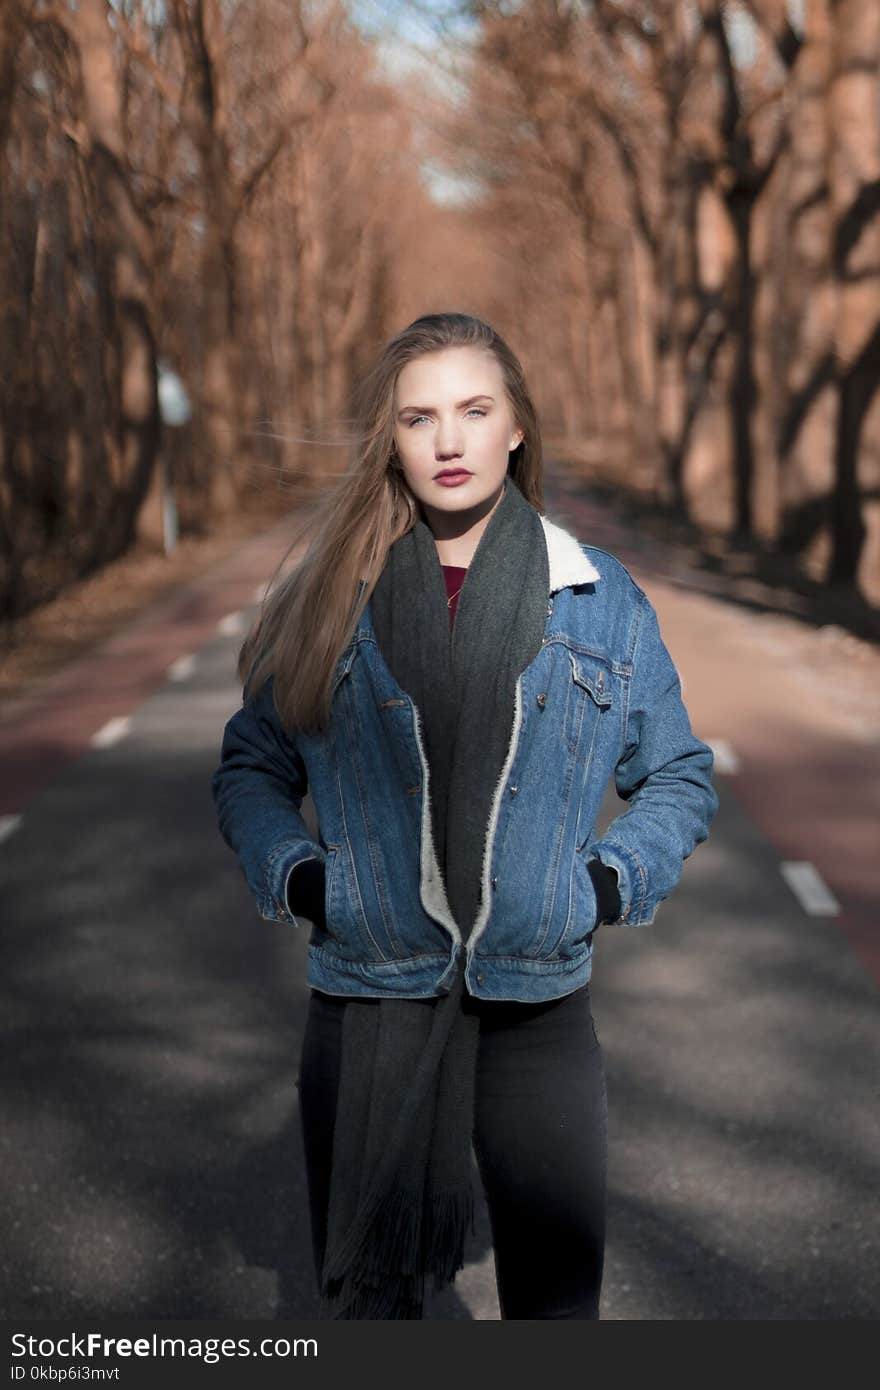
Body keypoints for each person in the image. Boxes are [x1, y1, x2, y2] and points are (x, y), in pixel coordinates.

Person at [210, 311, 719, 1320]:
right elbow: (249, 768)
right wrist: (308, 877)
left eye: (473, 411)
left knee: (556, 1312)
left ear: (516, 426)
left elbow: (680, 773)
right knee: (370, 1313)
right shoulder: (330, 597)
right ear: (390, 439)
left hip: (536, 1013)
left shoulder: (597, 598)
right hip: (365, 997)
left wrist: (608, 881)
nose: (447, 441)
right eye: (418, 417)